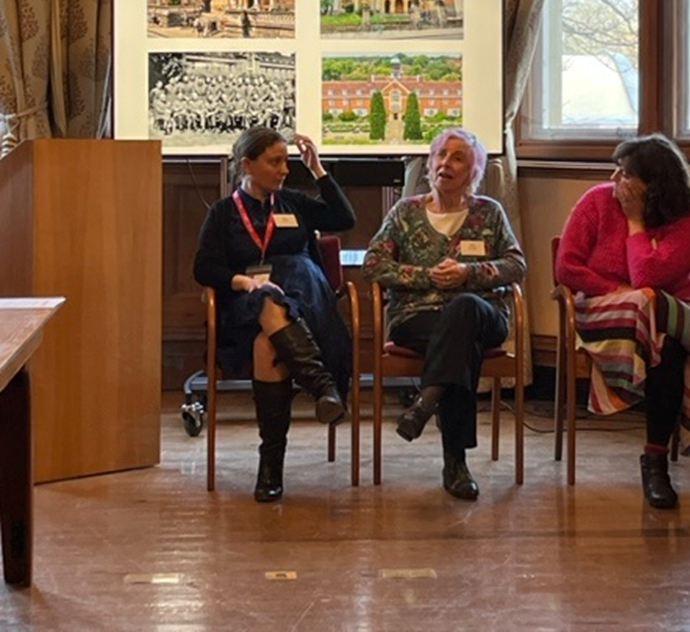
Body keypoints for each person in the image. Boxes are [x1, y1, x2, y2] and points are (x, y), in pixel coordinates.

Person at [555, 132, 690, 510]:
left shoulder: (689, 221)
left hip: (664, 324)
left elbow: (646, 275)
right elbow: (566, 268)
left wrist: (635, 222)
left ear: (654, 184)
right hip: (603, 313)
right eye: (616, 171)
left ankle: (654, 464)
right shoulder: (596, 201)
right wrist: (618, 291)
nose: (615, 180)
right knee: (647, 301)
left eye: (626, 174)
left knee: (663, 338)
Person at [362, 128, 526, 500]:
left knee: (464, 309)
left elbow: (517, 265)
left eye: (457, 158)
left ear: (474, 171)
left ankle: (426, 402)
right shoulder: (406, 212)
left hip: (483, 314)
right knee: (460, 344)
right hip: (417, 316)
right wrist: (427, 276)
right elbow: (373, 265)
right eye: (440, 155)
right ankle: (456, 463)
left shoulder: (489, 212)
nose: (445, 163)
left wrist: (469, 273)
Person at [193, 126, 355, 503]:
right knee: (266, 299)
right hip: (245, 307)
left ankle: (270, 468)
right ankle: (322, 387)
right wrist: (243, 282)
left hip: (305, 302)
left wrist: (318, 170)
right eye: (275, 162)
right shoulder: (223, 213)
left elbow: (343, 218)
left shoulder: (293, 203)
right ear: (247, 164)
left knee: (267, 346)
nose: (284, 170)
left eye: (287, 161)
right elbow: (204, 267)